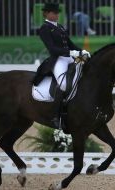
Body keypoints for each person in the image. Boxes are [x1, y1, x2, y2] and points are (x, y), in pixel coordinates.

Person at [33, 2, 91, 130]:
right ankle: (55, 116)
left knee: (84, 73)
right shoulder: (44, 28)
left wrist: (81, 51)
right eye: (54, 12)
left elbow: (70, 44)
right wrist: (72, 53)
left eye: (57, 12)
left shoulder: (60, 27)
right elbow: (53, 49)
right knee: (64, 84)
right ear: (47, 13)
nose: (57, 14)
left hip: (69, 57)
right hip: (58, 60)